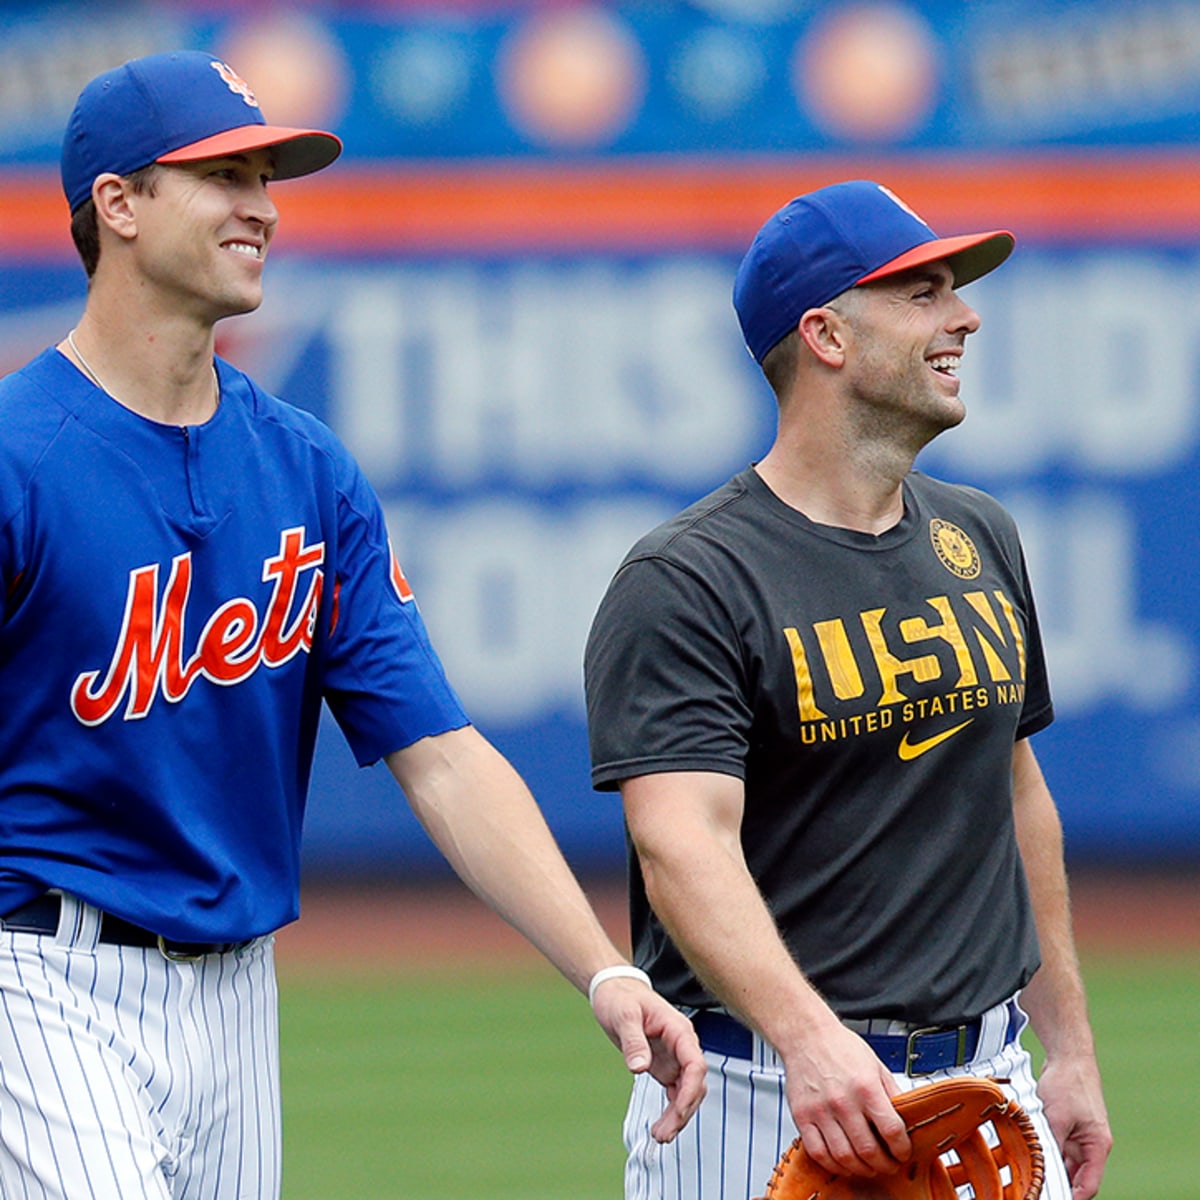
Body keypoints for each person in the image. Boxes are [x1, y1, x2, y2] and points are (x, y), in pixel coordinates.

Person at [0, 50, 705, 1200]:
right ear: (117, 205)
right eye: (221, 174)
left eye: (267, 177)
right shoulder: (18, 455)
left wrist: (602, 971)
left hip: (239, 998)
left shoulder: (305, 466)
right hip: (39, 973)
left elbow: (441, 757)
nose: (261, 206)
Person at [584, 181, 1112, 1200]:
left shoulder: (978, 537)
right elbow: (679, 843)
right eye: (921, 291)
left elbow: (1015, 799)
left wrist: (1072, 1049)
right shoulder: (691, 578)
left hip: (991, 1093)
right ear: (824, 334)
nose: (964, 314)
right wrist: (809, 1040)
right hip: (764, 1094)